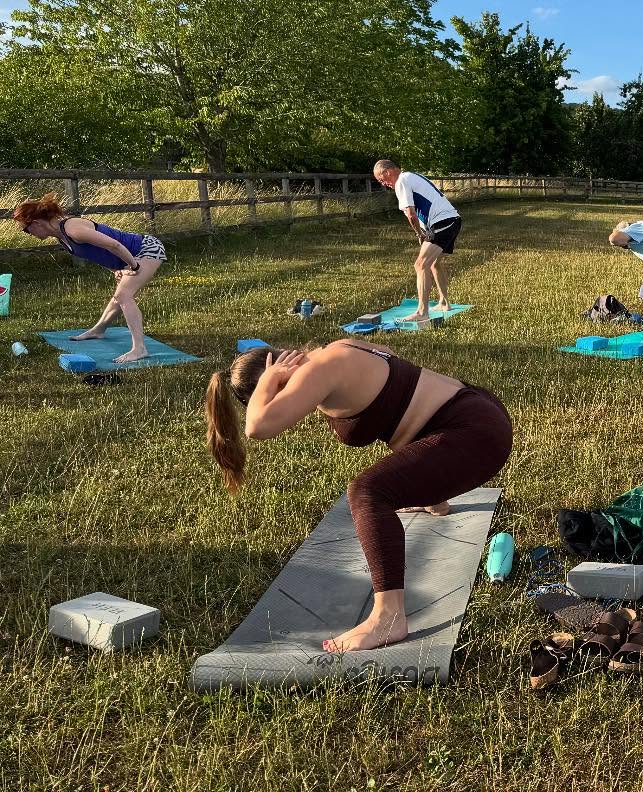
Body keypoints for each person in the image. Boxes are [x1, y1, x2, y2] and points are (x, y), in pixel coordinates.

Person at [205, 340, 512, 652]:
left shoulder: (318, 370)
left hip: (475, 434)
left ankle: (388, 618)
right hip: (479, 411)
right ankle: (435, 499)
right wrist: (433, 490)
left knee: (367, 492)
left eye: (275, 394)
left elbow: (257, 426)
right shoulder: (336, 348)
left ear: (279, 378)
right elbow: (403, 401)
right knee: (383, 483)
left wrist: (269, 381)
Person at [11, 194, 167, 363]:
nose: (28, 234)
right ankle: (98, 330)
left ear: (36, 223)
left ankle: (139, 349)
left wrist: (133, 266)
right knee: (119, 296)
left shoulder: (72, 229)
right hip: (130, 256)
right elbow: (96, 253)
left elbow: (113, 244)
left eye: (26, 230)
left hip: (147, 248)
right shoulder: (62, 238)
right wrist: (115, 269)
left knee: (124, 295)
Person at [372, 160, 461, 322]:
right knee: (433, 263)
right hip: (451, 220)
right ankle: (444, 302)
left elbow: (411, 214)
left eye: (381, 180)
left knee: (420, 264)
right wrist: (425, 232)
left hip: (443, 222)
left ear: (388, 172)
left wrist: (420, 235)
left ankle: (422, 312)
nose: (384, 184)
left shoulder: (401, 181)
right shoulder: (411, 176)